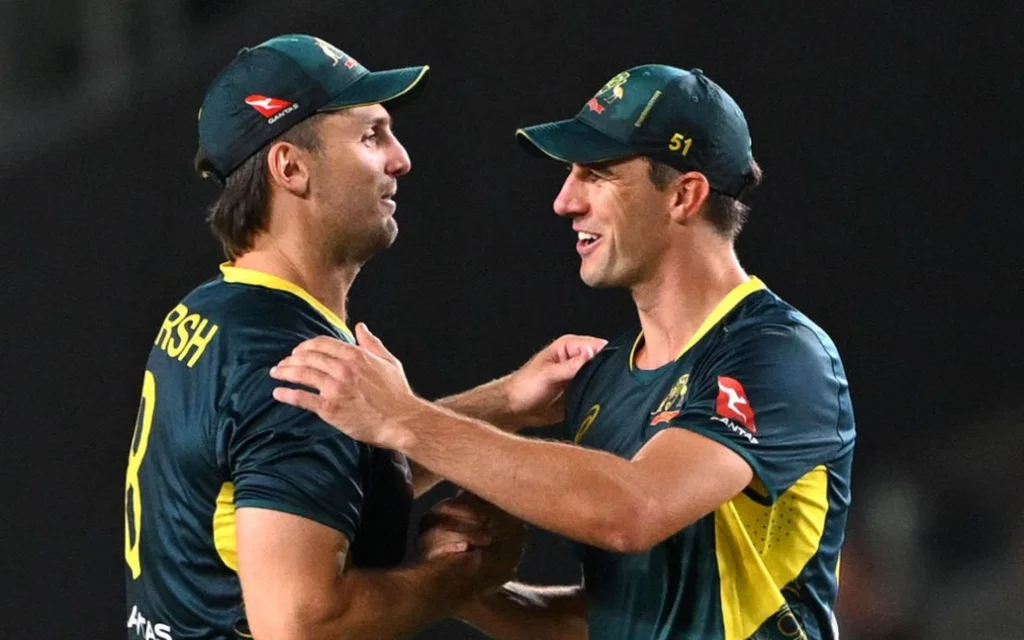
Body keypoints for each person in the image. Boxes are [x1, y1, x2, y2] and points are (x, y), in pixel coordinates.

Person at [271, 64, 856, 639]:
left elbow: (636, 510)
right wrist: (467, 582)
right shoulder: (603, 381)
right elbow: (601, 622)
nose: (564, 201)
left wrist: (405, 417)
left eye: (597, 174)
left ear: (684, 195)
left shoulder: (780, 355)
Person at [123, 33, 601, 639]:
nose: (399, 159)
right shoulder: (290, 361)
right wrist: (462, 577)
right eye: (371, 135)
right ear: (290, 168)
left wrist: (504, 403)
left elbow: (309, 479)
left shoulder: (214, 311)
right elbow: (302, 625)